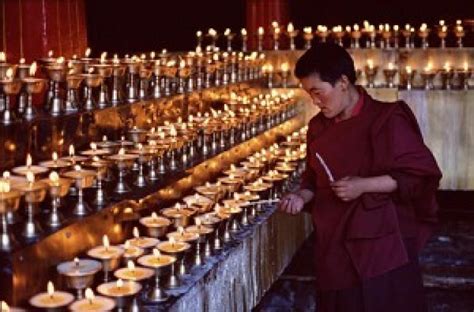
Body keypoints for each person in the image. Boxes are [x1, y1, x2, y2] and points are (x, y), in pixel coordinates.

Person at [279, 42, 442, 312]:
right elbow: (312, 180)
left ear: (343, 82)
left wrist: (363, 186)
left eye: (318, 92)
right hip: (334, 244)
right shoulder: (318, 127)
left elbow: (419, 176)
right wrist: (299, 196)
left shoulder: (387, 118)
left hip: (382, 244)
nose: (315, 102)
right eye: (309, 94)